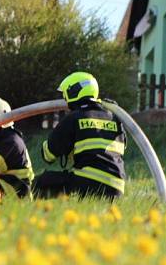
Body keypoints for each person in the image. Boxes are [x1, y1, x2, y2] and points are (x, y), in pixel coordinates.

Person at [33, 72, 126, 201]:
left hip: (88, 183)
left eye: (65, 94)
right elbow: (121, 147)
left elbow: (48, 155)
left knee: (41, 182)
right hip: (116, 188)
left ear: (73, 92)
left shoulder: (74, 118)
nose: (64, 99)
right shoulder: (115, 117)